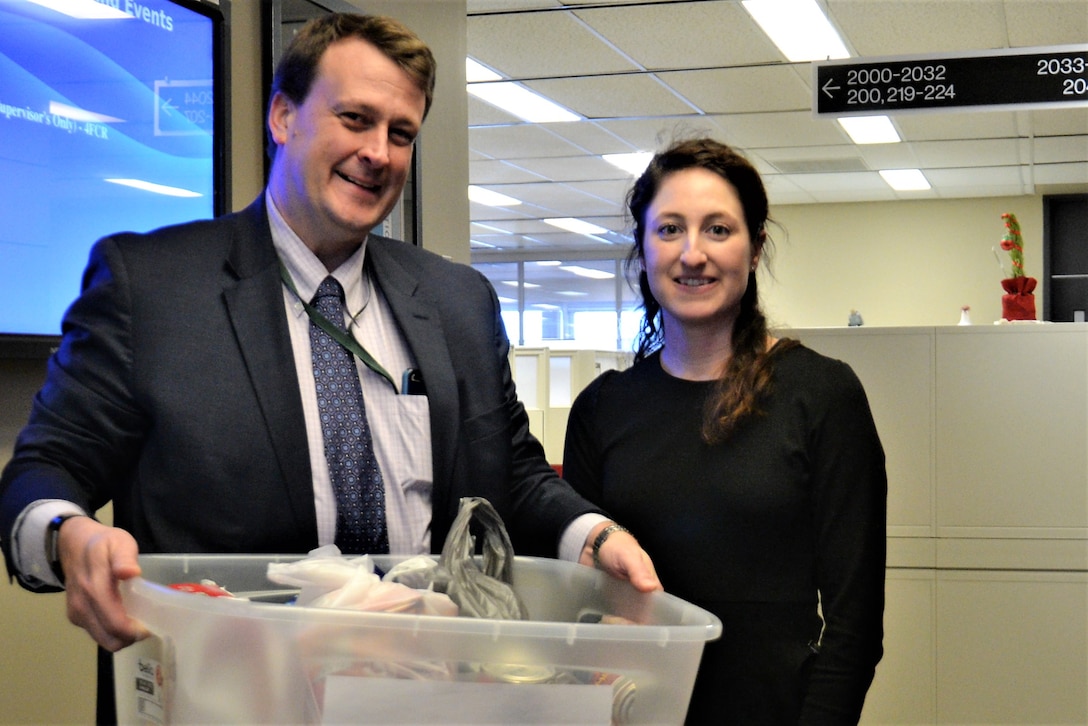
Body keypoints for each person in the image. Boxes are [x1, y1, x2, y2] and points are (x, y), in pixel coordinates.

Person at [0, 12, 659, 722]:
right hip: (226, 701)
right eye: (355, 118)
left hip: (425, 698)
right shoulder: (152, 286)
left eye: (400, 133)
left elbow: (517, 475)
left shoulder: (458, 301)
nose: (378, 151)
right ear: (283, 116)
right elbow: (46, 469)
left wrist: (592, 535)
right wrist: (69, 533)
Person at [562, 138, 886, 724]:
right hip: (636, 712)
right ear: (642, 247)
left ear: (756, 247)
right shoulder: (601, 409)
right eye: (668, 230)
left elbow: (854, 625)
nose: (692, 254)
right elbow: (580, 605)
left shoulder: (821, 395)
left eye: (718, 229)